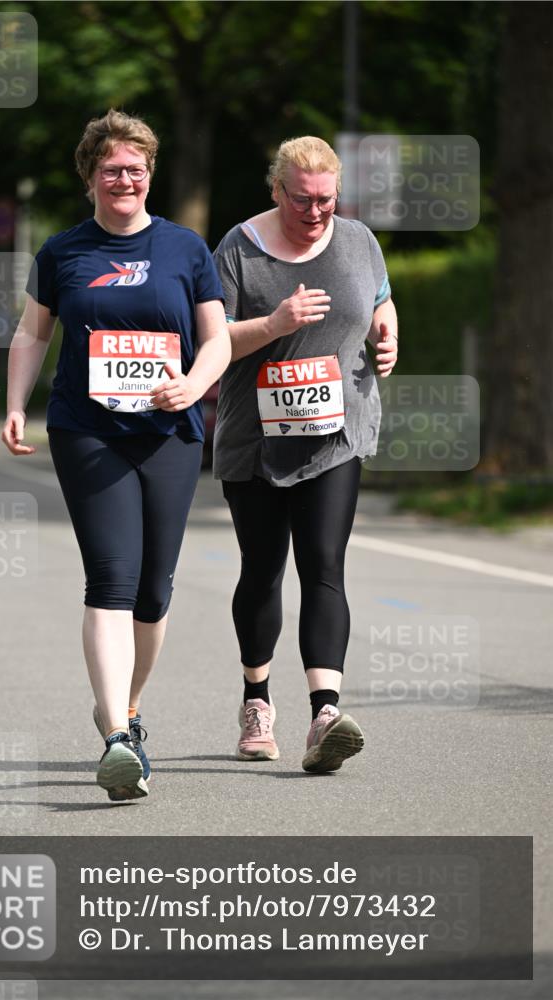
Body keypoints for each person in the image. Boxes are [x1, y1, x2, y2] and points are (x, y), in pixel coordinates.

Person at [2, 109, 230, 801]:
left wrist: (193, 383)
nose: (123, 179)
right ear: (90, 179)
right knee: (110, 577)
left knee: (153, 592)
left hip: (168, 433)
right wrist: (14, 403)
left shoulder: (186, 249)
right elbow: (32, 334)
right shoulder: (64, 252)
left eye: (135, 168)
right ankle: (118, 741)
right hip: (87, 429)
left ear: (149, 174)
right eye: (111, 170)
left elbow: (215, 339)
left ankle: (122, 707)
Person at [213, 136, 398, 774]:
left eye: (326, 199)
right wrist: (275, 323)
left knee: (324, 565)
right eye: (302, 200)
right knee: (263, 569)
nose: (316, 211)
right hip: (255, 439)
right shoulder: (238, 250)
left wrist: (387, 332)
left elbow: (379, 299)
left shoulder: (358, 242)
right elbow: (212, 343)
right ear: (276, 191)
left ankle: (324, 713)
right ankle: (256, 700)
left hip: (335, 432)